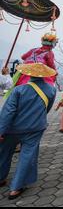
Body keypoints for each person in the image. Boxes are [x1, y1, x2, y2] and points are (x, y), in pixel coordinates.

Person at [0, 63, 56, 200]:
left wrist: (1, 130)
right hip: (36, 128)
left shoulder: (19, 90)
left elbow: (8, 112)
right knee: (27, 155)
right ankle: (16, 187)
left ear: (28, 74)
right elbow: (47, 108)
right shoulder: (51, 90)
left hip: (13, 128)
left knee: (4, 152)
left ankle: (1, 178)